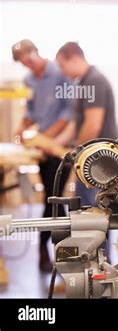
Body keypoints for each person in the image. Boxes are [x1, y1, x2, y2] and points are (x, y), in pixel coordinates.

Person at [12, 39, 73, 272]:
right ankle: (53, 254)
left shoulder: (60, 73)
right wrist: (22, 126)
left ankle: (53, 252)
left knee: (55, 201)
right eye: (24, 64)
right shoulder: (29, 80)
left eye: (30, 60)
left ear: (36, 53)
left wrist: (47, 137)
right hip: (43, 149)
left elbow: (68, 112)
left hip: (60, 147)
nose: (29, 66)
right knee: (52, 199)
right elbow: (31, 112)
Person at [55, 42, 118, 207]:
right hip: (91, 160)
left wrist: (76, 156)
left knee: (93, 217)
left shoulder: (94, 81)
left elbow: (92, 125)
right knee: (87, 214)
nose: (62, 72)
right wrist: (56, 144)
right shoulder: (84, 82)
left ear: (74, 59)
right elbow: (77, 124)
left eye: (62, 66)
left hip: (98, 163)